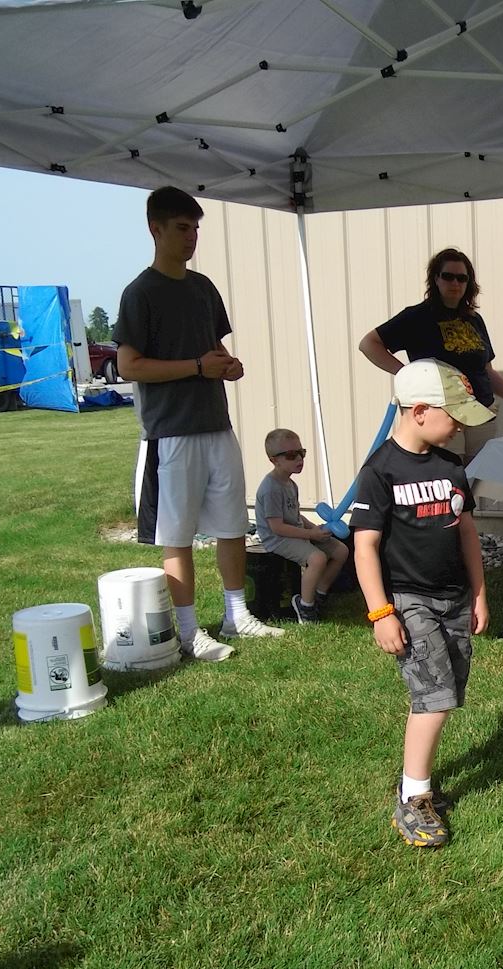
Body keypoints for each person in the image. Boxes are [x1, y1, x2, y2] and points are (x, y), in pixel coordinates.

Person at [114, 185, 283, 662]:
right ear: (156, 229)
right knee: (178, 535)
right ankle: (188, 630)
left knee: (232, 525)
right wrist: (196, 366)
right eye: (182, 229)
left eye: (196, 229)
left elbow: (215, 351)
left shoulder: (204, 287)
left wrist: (230, 365)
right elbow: (128, 366)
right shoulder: (139, 293)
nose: (191, 238)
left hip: (216, 425)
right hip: (170, 433)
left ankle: (236, 614)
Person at [351, 359, 492, 849]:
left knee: (448, 692)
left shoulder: (451, 465)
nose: (459, 426)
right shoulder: (381, 471)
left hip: (455, 598)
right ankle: (414, 796)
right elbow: (365, 546)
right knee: (433, 698)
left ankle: (418, 779)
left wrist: (478, 592)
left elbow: (468, 533)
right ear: (418, 411)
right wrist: (380, 611)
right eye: (453, 415)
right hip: (410, 602)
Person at [357, 248, 503, 465]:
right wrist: (409, 375)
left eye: (462, 278)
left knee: (476, 481)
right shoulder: (416, 316)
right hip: (441, 413)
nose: (455, 283)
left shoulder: (474, 320)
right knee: (447, 478)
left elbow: (486, 372)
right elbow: (369, 344)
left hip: (481, 412)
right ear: (436, 279)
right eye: (448, 276)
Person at [255, 428, 349, 623]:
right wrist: (310, 535)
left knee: (341, 551)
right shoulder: (271, 488)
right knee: (317, 558)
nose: (299, 459)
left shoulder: (291, 484)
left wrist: (313, 528)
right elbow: (277, 527)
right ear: (274, 460)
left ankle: (319, 594)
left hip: (294, 532)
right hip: (277, 539)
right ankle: (304, 606)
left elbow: (295, 515)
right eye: (291, 455)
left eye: (301, 453)